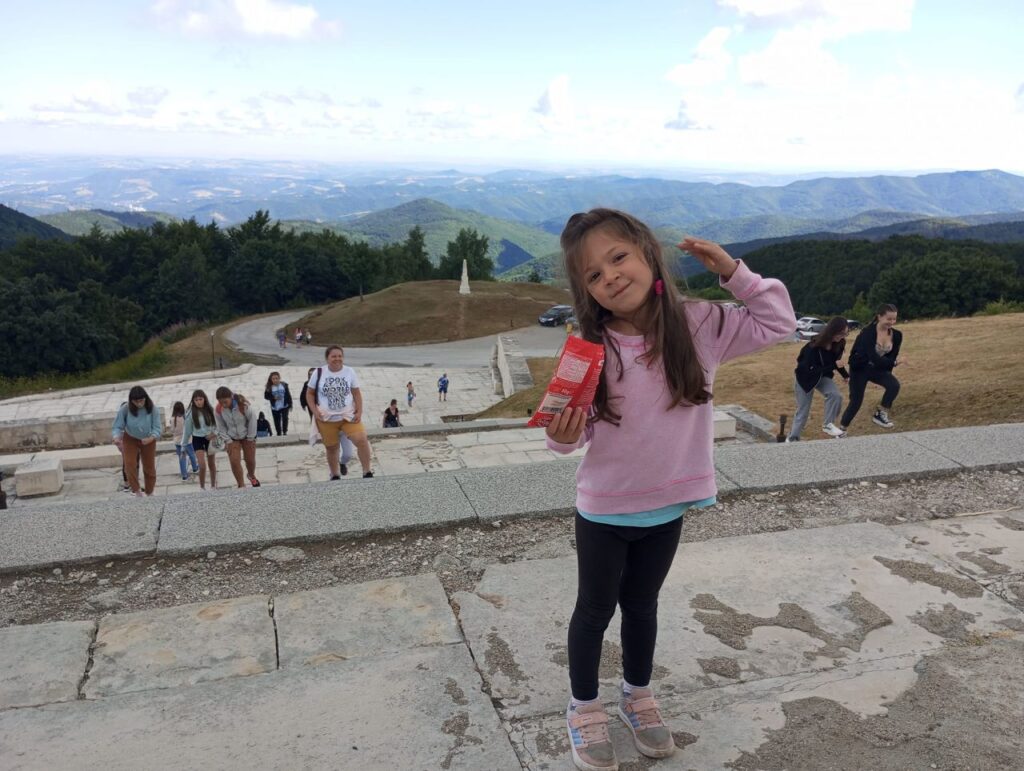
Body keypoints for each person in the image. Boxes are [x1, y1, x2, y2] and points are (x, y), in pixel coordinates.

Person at [546, 209, 794, 770]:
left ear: (648, 255)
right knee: (594, 610)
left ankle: (637, 695)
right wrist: (561, 437)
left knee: (642, 606)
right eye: (593, 274)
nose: (610, 276)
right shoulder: (589, 349)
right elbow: (568, 433)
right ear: (587, 292)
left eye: (618, 257)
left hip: (668, 506)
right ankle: (583, 705)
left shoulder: (700, 324)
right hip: (604, 509)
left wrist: (733, 272)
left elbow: (778, 322)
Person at [305, 345, 374, 479]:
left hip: (347, 416)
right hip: (326, 418)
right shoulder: (318, 372)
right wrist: (314, 411)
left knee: (361, 440)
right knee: (331, 448)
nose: (337, 359)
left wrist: (359, 411)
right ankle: (335, 474)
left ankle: (367, 471)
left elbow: (356, 393)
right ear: (327, 358)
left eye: (340, 356)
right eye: (334, 356)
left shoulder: (349, 371)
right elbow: (309, 393)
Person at [839, 303, 905, 432]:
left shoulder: (897, 335)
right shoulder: (867, 333)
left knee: (894, 385)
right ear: (879, 317)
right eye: (889, 319)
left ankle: (880, 414)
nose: (892, 322)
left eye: (894, 319)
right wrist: (895, 363)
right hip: (859, 368)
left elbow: (891, 357)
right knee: (856, 402)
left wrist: (886, 376)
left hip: (877, 369)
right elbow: (874, 357)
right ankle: (842, 430)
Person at [786, 317, 850, 441]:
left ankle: (828, 425)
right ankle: (793, 438)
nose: (842, 336)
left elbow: (836, 362)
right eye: (841, 333)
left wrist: (845, 375)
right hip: (805, 379)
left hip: (822, 376)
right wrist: (833, 366)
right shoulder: (813, 347)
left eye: (845, 333)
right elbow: (809, 370)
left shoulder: (840, 343)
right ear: (832, 330)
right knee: (803, 411)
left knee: (836, 395)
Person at [112, 386, 162, 497]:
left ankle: (149, 491)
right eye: (136, 401)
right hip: (130, 438)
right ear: (131, 401)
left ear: (145, 398)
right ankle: (136, 490)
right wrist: (116, 437)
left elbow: (157, 428)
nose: (139, 404)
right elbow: (117, 426)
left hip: (148, 439)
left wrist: (151, 438)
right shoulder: (125, 409)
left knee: (149, 467)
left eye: (141, 400)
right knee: (129, 465)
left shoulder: (152, 409)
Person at [214, 386, 260, 488]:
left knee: (250, 460)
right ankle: (241, 484)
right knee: (234, 461)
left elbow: (252, 420)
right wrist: (228, 440)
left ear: (231, 397)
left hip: (247, 436)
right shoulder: (218, 409)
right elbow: (221, 426)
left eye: (225, 402)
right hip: (232, 438)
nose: (223, 404)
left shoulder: (243, 405)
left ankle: (251, 475)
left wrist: (251, 438)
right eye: (220, 402)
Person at [182, 389, 219, 491]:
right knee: (202, 465)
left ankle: (213, 485)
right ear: (193, 401)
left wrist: (214, 433)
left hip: (210, 438)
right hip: (197, 439)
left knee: (212, 463)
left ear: (204, 399)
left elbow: (218, 425)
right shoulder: (190, 413)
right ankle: (202, 487)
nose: (198, 402)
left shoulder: (210, 409)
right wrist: (183, 445)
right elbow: (187, 431)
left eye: (200, 399)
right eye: (196, 400)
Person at [170, 401, 200, 480]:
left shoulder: (172, 419)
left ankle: (184, 475)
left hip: (178, 442)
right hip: (187, 441)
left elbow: (172, 430)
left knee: (182, 458)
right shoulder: (185, 417)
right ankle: (195, 468)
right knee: (192, 455)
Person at [263, 371, 293, 436]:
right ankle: (278, 433)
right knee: (277, 421)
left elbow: (288, 395)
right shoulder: (269, 387)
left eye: (277, 378)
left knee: (285, 418)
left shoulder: (284, 385)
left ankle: (284, 431)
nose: (275, 380)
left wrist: (290, 404)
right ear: (271, 379)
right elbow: (266, 396)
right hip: (275, 407)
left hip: (284, 405)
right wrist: (273, 398)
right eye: (273, 379)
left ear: (279, 378)